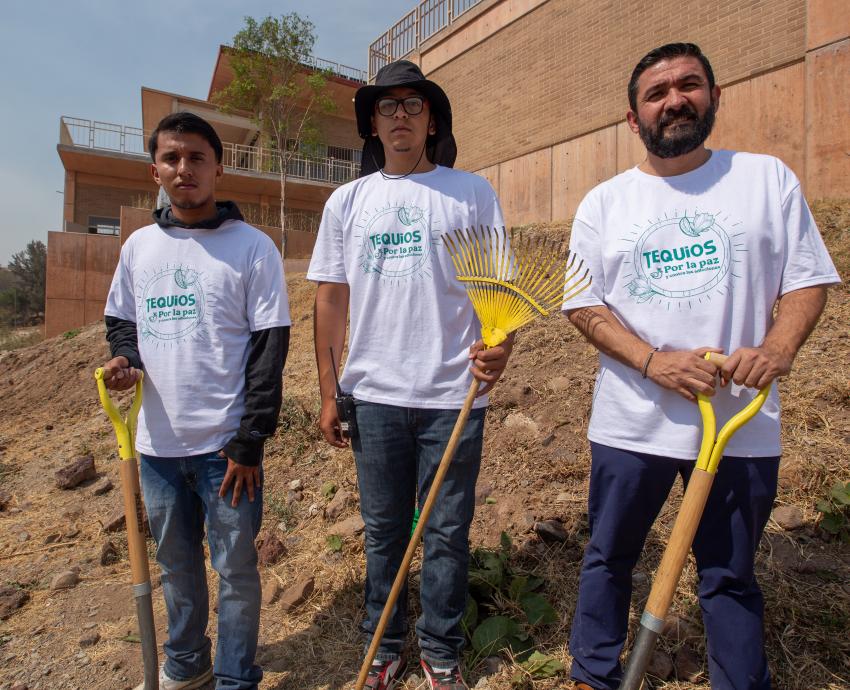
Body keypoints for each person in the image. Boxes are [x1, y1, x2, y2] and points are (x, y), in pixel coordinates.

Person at [563, 43, 840, 690]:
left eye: (689, 85)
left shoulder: (766, 179)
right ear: (634, 120)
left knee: (729, 572)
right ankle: (593, 674)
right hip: (632, 423)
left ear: (714, 97)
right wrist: (652, 361)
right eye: (656, 94)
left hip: (739, 424)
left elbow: (806, 282)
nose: (674, 99)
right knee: (608, 557)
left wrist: (776, 350)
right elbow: (581, 303)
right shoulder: (605, 204)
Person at [308, 60, 513, 690]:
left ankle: (441, 652)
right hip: (373, 396)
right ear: (372, 122)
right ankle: (386, 644)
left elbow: (497, 288)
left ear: (431, 120)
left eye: (413, 105)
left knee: (447, 532)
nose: (400, 116)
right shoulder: (347, 201)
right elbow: (330, 299)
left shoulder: (470, 192)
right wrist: (327, 391)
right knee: (384, 532)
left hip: (454, 395)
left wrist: (501, 347)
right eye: (388, 106)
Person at [101, 111, 291, 690]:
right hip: (156, 449)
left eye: (197, 158)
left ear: (219, 166)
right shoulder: (137, 247)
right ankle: (186, 667)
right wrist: (126, 362)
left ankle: (236, 677)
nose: (184, 169)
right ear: (155, 169)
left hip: (225, 451)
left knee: (235, 571)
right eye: (172, 158)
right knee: (176, 568)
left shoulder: (253, 249)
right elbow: (121, 322)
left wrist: (249, 442)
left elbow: (268, 352)